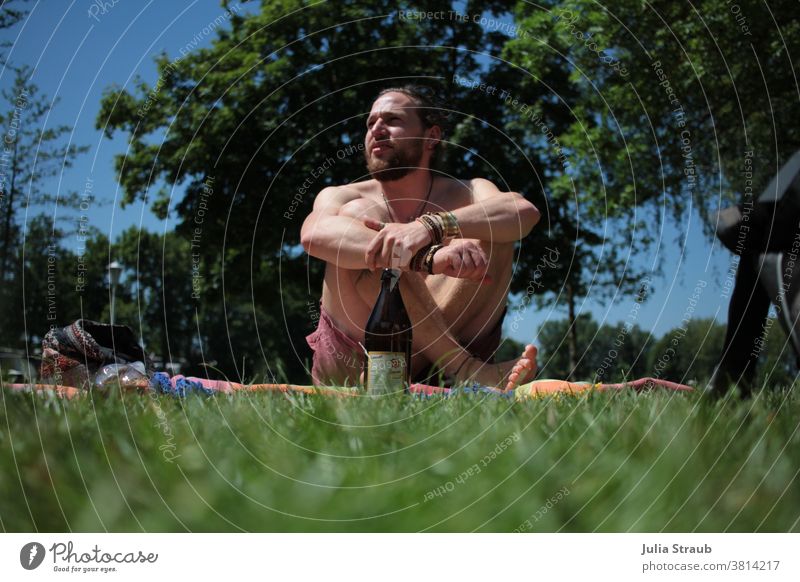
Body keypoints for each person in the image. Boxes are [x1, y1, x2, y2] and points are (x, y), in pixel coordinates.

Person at [301, 85, 539, 389]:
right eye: (370, 123)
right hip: (354, 364)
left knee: (491, 223)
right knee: (355, 220)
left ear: (431, 136)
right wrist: (427, 258)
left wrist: (431, 227)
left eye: (392, 120)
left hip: (437, 367)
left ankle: (423, 372)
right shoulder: (344, 194)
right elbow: (313, 234)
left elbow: (523, 211)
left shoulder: (469, 190)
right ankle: (466, 369)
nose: (376, 129)